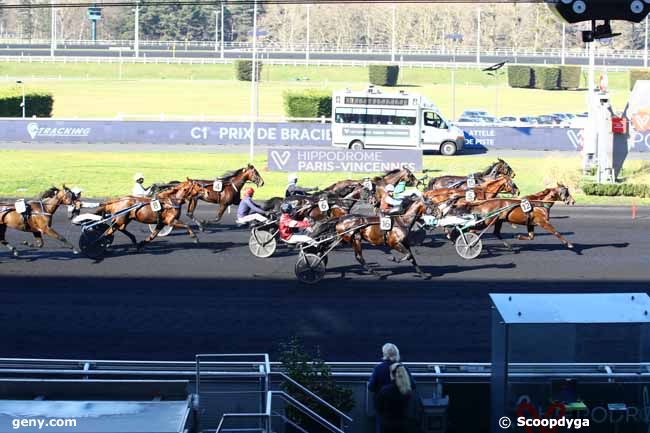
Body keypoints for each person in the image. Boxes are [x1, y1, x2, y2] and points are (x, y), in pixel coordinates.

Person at [368, 344, 416, 433]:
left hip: (384, 412)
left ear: (384, 354)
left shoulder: (378, 368)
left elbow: (371, 387)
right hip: (402, 411)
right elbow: (412, 385)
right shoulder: (402, 368)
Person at [376, 363, 413, 433]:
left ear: (392, 375)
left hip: (387, 426)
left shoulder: (385, 390)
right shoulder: (408, 391)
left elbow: (379, 408)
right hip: (404, 426)